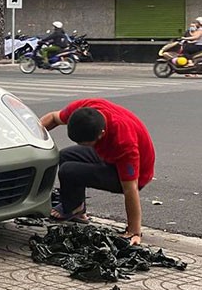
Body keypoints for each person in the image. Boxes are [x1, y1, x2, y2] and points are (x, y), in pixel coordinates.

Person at [40, 98, 155, 246]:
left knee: (68, 170)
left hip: (136, 174)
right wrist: (30, 138)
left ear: (101, 134)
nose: (80, 146)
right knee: (64, 156)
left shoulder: (123, 142)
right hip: (107, 155)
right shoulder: (84, 108)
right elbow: (53, 117)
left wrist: (134, 231)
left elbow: (131, 188)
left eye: (85, 144)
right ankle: (76, 207)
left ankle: (74, 207)